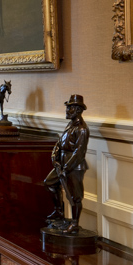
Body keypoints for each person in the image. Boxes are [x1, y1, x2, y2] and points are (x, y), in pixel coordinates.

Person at [43, 95, 90, 232]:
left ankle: (74, 224)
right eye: (67, 107)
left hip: (74, 166)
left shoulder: (82, 129)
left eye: (69, 108)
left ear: (78, 110)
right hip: (62, 163)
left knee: (75, 196)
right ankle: (58, 211)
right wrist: (54, 156)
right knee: (49, 183)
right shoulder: (70, 124)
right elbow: (59, 143)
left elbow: (79, 153)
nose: (67, 110)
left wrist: (66, 167)